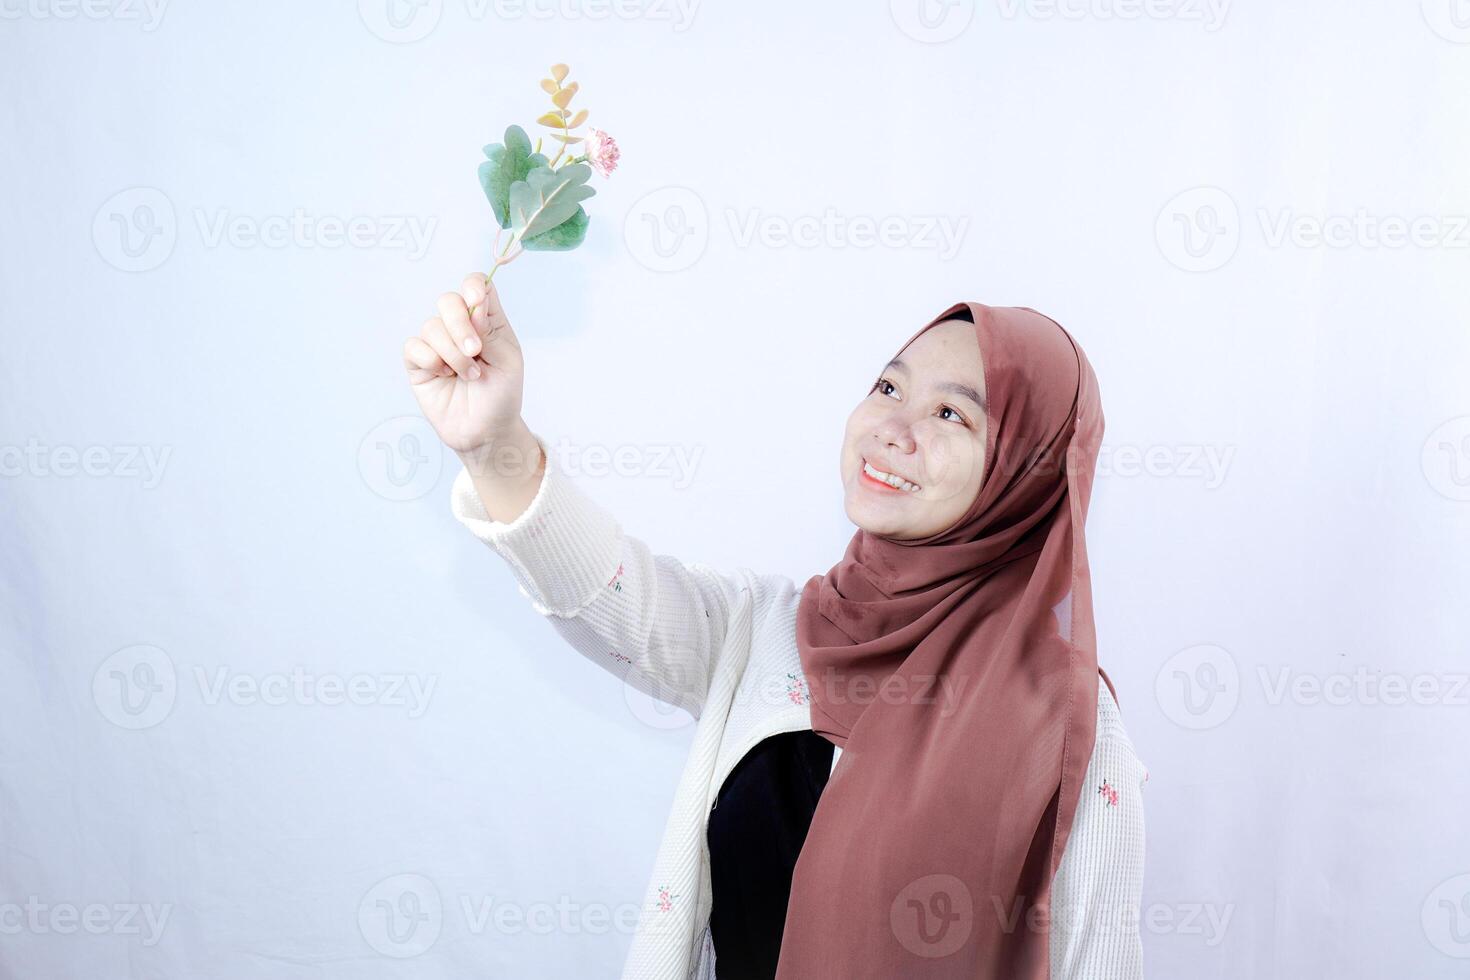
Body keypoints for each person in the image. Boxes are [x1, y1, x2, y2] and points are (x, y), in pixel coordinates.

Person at [403, 277, 1149, 979]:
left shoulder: (1069, 727)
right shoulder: (762, 633)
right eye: (888, 387)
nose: (893, 427)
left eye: (951, 413)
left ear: (1032, 470)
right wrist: (491, 442)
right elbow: (602, 590)